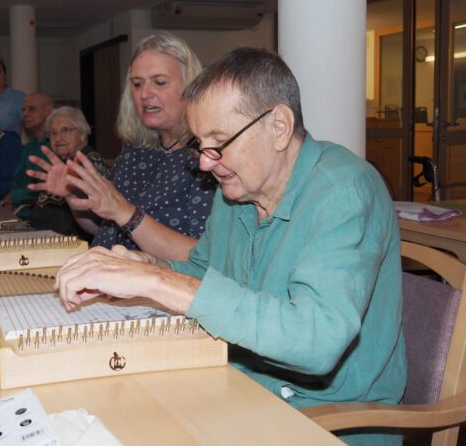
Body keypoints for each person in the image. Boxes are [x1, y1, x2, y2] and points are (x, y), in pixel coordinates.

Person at [55, 48, 406, 445]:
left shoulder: (343, 190)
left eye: (218, 142)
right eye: (201, 145)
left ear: (278, 127)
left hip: (325, 423)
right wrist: (141, 268)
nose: (205, 164)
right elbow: (205, 274)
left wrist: (157, 281)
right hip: (241, 391)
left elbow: (316, 341)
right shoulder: (235, 193)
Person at [28, 33, 216, 260]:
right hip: (105, 275)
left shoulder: (208, 159)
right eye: (137, 84)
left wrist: (126, 212)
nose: (145, 94)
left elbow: (200, 257)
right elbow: (104, 228)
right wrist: (71, 195)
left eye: (159, 82)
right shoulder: (135, 151)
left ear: (191, 87)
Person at [29, 107, 108, 239]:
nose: (58, 137)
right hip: (40, 236)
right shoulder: (61, 165)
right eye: (53, 133)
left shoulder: (91, 164)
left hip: (71, 243)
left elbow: (97, 220)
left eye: (65, 130)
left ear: (83, 133)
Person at [7, 92, 55, 217]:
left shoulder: (56, 145)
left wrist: (14, 196)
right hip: (20, 212)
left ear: (48, 111)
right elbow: (17, 179)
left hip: (42, 217)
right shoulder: (30, 145)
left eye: (31, 109)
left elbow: (46, 188)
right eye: (23, 110)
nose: (24, 114)